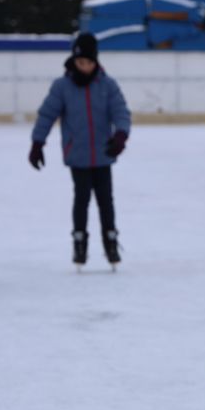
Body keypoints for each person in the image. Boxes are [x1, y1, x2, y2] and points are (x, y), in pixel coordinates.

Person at [29, 33, 131, 269]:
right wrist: (37, 143)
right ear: (73, 60)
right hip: (78, 154)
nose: (84, 66)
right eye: (80, 62)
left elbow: (121, 113)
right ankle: (79, 241)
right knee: (81, 199)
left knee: (106, 200)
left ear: (96, 61)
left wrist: (120, 136)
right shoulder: (62, 86)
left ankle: (111, 241)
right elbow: (47, 115)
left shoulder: (107, 85)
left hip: (104, 152)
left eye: (88, 62)